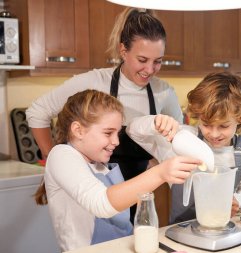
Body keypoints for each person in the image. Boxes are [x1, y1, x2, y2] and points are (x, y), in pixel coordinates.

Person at [26, 7, 182, 221]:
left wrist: (157, 162)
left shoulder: (164, 92)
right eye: (143, 59)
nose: (150, 69)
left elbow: (176, 143)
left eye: (158, 61)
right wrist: (52, 157)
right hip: (93, 193)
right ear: (123, 51)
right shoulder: (93, 82)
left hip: (141, 193)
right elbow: (37, 112)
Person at [34, 89, 200, 252]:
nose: (116, 141)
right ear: (78, 130)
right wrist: (160, 173)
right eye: (108, 133)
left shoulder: (99, 163)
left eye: (117, 133)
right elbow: (101, 204)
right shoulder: (61, 155)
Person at [127, 71, 241, 224]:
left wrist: (239, 201)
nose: (214, 134)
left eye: (224, 126)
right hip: (181, 230)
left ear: (240, 118)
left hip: (224, 226)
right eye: (206, 124)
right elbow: (132, 130)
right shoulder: (182, 140)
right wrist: (155, 122)